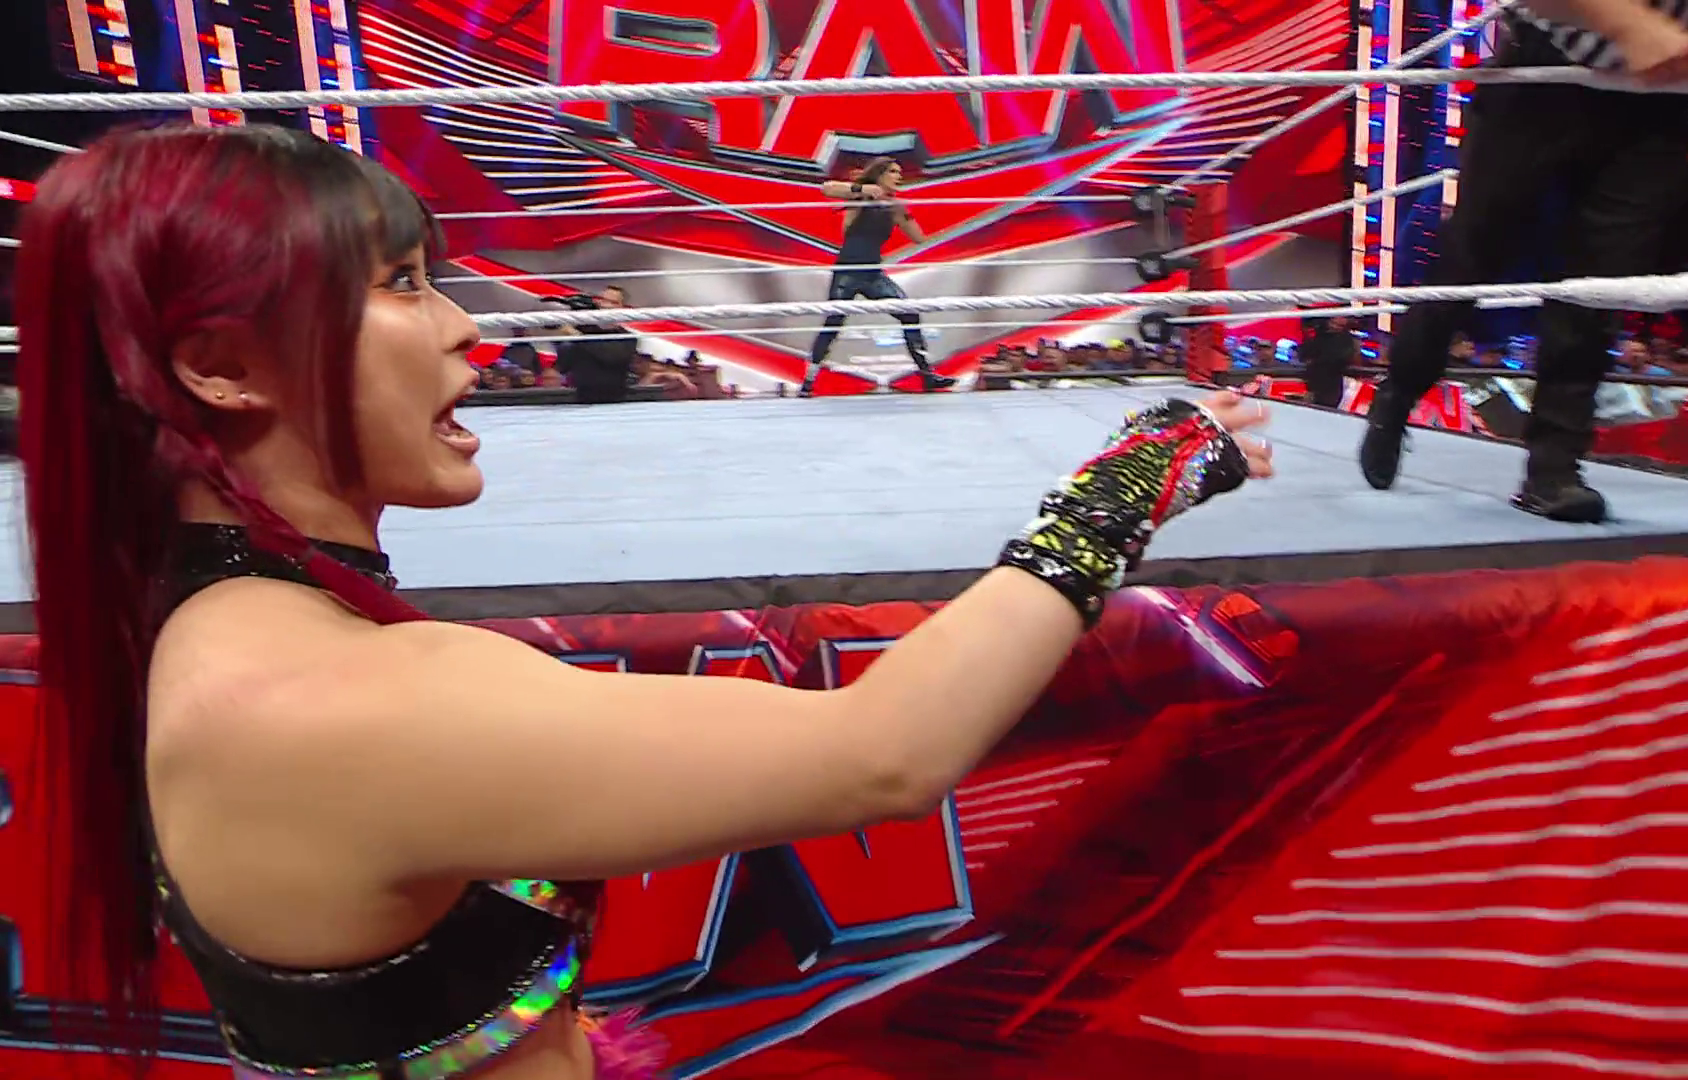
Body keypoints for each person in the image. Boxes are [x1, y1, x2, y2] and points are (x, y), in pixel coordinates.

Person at [12, 124, 1273, 1080]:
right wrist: (1128, 487)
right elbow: (881, 754)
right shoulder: (334, 694)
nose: (464, 330)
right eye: (400, 284)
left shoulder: (229, 625)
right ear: (221, 367)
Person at [1358, 0, 1688, 522]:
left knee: (1604, 283)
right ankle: (1399, 391)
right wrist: (1633, 25)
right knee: (1473, 253)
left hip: (1662, 101)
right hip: (1550, 70)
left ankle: (1555, 468)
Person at [803, 157, 956, 395]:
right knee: (834, 322)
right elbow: (827, 188)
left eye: (899, 172)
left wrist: (938, 221)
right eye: (893, 171)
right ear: (880, 174)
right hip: (848, 270)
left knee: (909, 313)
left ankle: (927, 375)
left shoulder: (895, 207)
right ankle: (808, 382)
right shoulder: (860, 197)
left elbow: (919, 238)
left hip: (873, 273)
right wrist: (862, 189)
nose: (899, 176)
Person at [555, 285, 638, 405]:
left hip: (614, 401)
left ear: (622, 307)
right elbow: (563, 365)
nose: (607, 306)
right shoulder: (583, 329)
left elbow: (612, 357)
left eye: (613, 302)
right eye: (604, 300)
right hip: (581, 400)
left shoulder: (627, 337)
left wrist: (577, 336)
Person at [1295, 314, 1358, 407]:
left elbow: (1343, 359)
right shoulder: (1319, 336)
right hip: (1314, 382)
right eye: (1334, 322)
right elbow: (1304, 355)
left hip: (1331, 384)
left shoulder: (1345, 340)